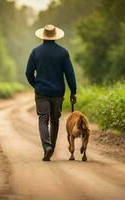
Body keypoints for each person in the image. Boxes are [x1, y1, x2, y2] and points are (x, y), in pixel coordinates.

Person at [26, 24, 77, 161]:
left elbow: (28, 73)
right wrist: (73, 91)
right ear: (55, 37)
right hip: (57, 93)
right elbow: (70, 74)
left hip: (41, 93)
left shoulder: (35, 52)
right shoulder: (63, 53)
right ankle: (51, 148)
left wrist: (36, 84)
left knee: (43, 120)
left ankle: (47, 147)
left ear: (43, 36)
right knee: (55, 121)